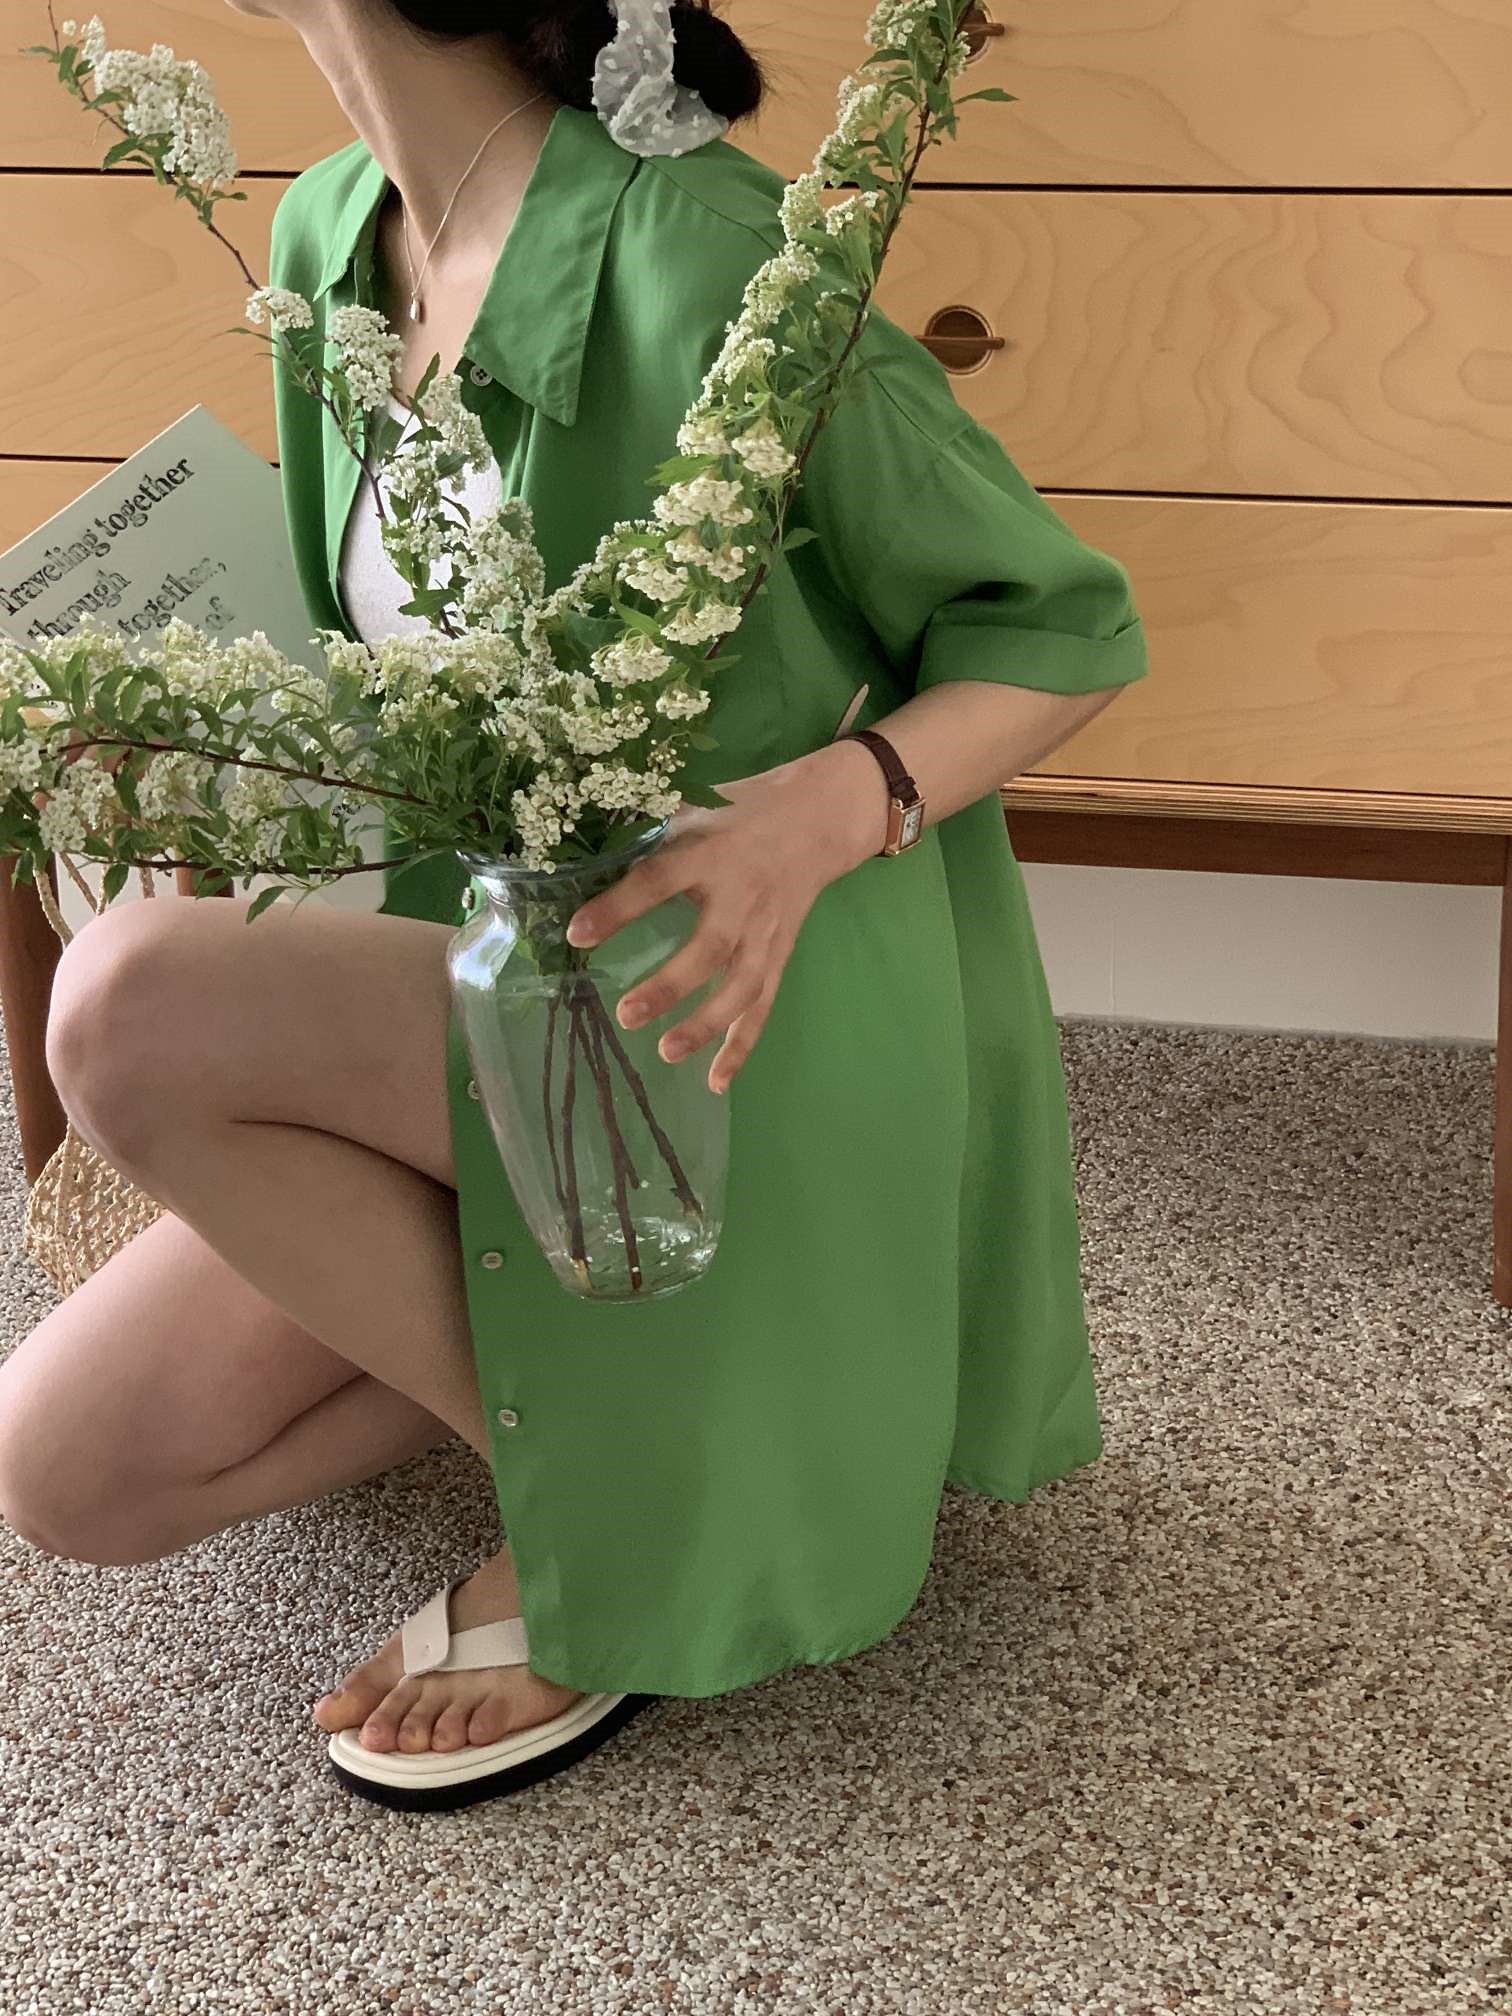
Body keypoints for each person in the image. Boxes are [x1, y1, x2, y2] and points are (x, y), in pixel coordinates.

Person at [0, 0, 1149, 1811]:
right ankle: (671, 1427)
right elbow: (399, 669)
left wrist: (826, 810)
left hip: (729, 988)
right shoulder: (324, 231)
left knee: (128, 1006)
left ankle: (615, 1526)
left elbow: (1066, 627)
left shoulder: (718, 262)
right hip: (488, 978)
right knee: (66, 1473)